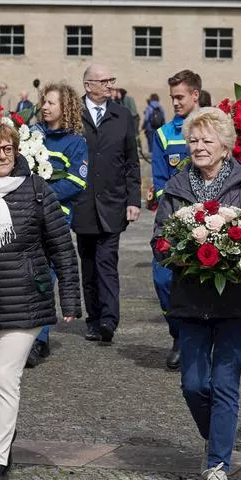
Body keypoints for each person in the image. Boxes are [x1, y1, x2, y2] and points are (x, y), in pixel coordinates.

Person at [0, 121, 81, 480]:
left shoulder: (37, 190)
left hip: (25, 300)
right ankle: (3, 434)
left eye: (8, 148)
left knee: (6, 378)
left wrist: (70, 299)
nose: (3, 155)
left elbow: (62, 249)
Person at [153, 108, 241, 480]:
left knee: (224, 384)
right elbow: (159, 238)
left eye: (207, 140)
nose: (198, 147)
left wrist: (236, 250)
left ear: (225, 146)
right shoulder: (176, 187)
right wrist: (179, 249)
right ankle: (217, 438)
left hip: (234, 299)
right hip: (189, 299)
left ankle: (217, 463)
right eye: (193, 140)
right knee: (192, 385)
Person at [72, 64, 141, 346]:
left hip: (113, 202)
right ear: (88, 86)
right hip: (83, 203)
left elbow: (131, 161)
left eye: (113, 79)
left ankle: (110, 320)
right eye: (105, 81)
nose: (111, 84)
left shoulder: (122, 115)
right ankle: (93, 318)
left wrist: (133, 200)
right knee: (87, 264)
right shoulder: (73, 116)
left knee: (107, 262)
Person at [27, 81, 88, 368]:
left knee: (43, 280)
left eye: (51, 102)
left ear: (66, 108)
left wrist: (42, 196)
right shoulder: (31, 137)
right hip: (25, 218)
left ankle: (39, 340)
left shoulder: (76, 143)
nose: (45, 107)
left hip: (55, 220)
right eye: (44, 102)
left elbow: (77, 181)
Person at [150, 69, 202, 369]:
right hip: (173, 221)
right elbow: (158, 181)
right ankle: (179, 335)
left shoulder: (215, 129)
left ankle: (197, 341)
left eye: (180, 97)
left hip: (210, 220)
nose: (176, 103)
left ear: (195, 95)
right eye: (172, 98)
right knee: (164, 279)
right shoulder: (164, 134)